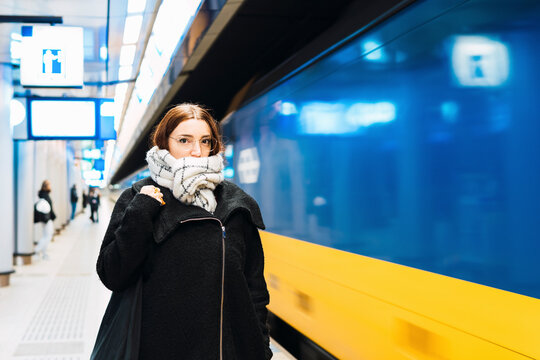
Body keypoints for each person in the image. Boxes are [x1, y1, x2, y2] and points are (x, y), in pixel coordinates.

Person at [96, 103, 272, 359]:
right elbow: (112, 274)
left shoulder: (236, 204)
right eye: (184, 140)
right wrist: (141, 211)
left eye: (205, 141)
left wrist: (261, 347)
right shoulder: (138, 197)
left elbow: (254, 286)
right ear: (165, 144)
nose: (196, 151)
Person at [34, 180, 56, 260]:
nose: (50, 186)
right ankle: (37, 250)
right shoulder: (45, 196)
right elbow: (48, 208)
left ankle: (44, 253)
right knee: (48, 236)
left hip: (46, 219)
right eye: (49, 185)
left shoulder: (44, 195)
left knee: (46, 235)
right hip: (47, 219)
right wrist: (53, 216)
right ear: (45, 186)